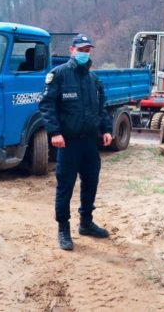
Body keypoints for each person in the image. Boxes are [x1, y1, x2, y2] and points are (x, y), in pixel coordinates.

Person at [39, 34, 113, 251]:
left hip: (90, 143)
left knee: (91, 182)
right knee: (65, 186)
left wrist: (106, 129)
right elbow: (46, 105)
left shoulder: (93, 80)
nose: (84, 53)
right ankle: (63, 229)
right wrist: (54, 132)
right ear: (72, 50)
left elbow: (101, 108)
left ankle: (86, 223)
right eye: (81, 49)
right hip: (68, 143)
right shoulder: (59, 75)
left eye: (88, 50)